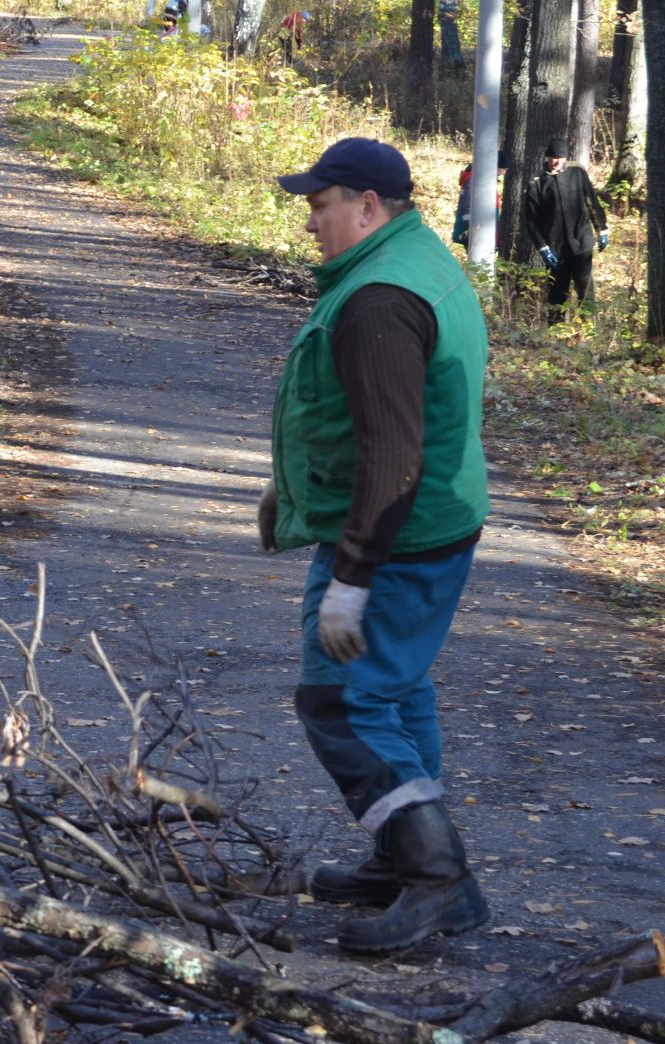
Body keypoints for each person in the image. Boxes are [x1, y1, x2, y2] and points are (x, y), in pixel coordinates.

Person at [258, 138, 491, 955]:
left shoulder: (378, 299)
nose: (311, 222)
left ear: (367, 206)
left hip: (398, 535)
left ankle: (438, 883)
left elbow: (394, 452)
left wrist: (352, 576)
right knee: (393, 695)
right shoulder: (417, 260)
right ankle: (404, 860)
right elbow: (362, 420)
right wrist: (295, 489)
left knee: (343, 703)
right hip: (427, 522)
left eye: (321, 206)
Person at [524, 137, 609, 314]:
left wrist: (602, 228)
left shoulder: (577, 172)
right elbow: (531, 220)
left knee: (585, 288)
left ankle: (588, 329)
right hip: (555, 247)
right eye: (553, 157)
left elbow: (591, 201)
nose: (557, 161)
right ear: (547, 157)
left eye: (560, 157)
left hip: (581, 241)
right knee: (557, 293)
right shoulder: (536, 182)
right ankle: (555, 331)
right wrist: (542, 247)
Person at [450, 148, 507, 250]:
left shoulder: (484, 180)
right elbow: (466, 206)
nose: (505, 171)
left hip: (481, 233)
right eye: (504, 168)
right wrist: (474, 229)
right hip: (475, 234)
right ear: (496, 166)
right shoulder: (474, 180)